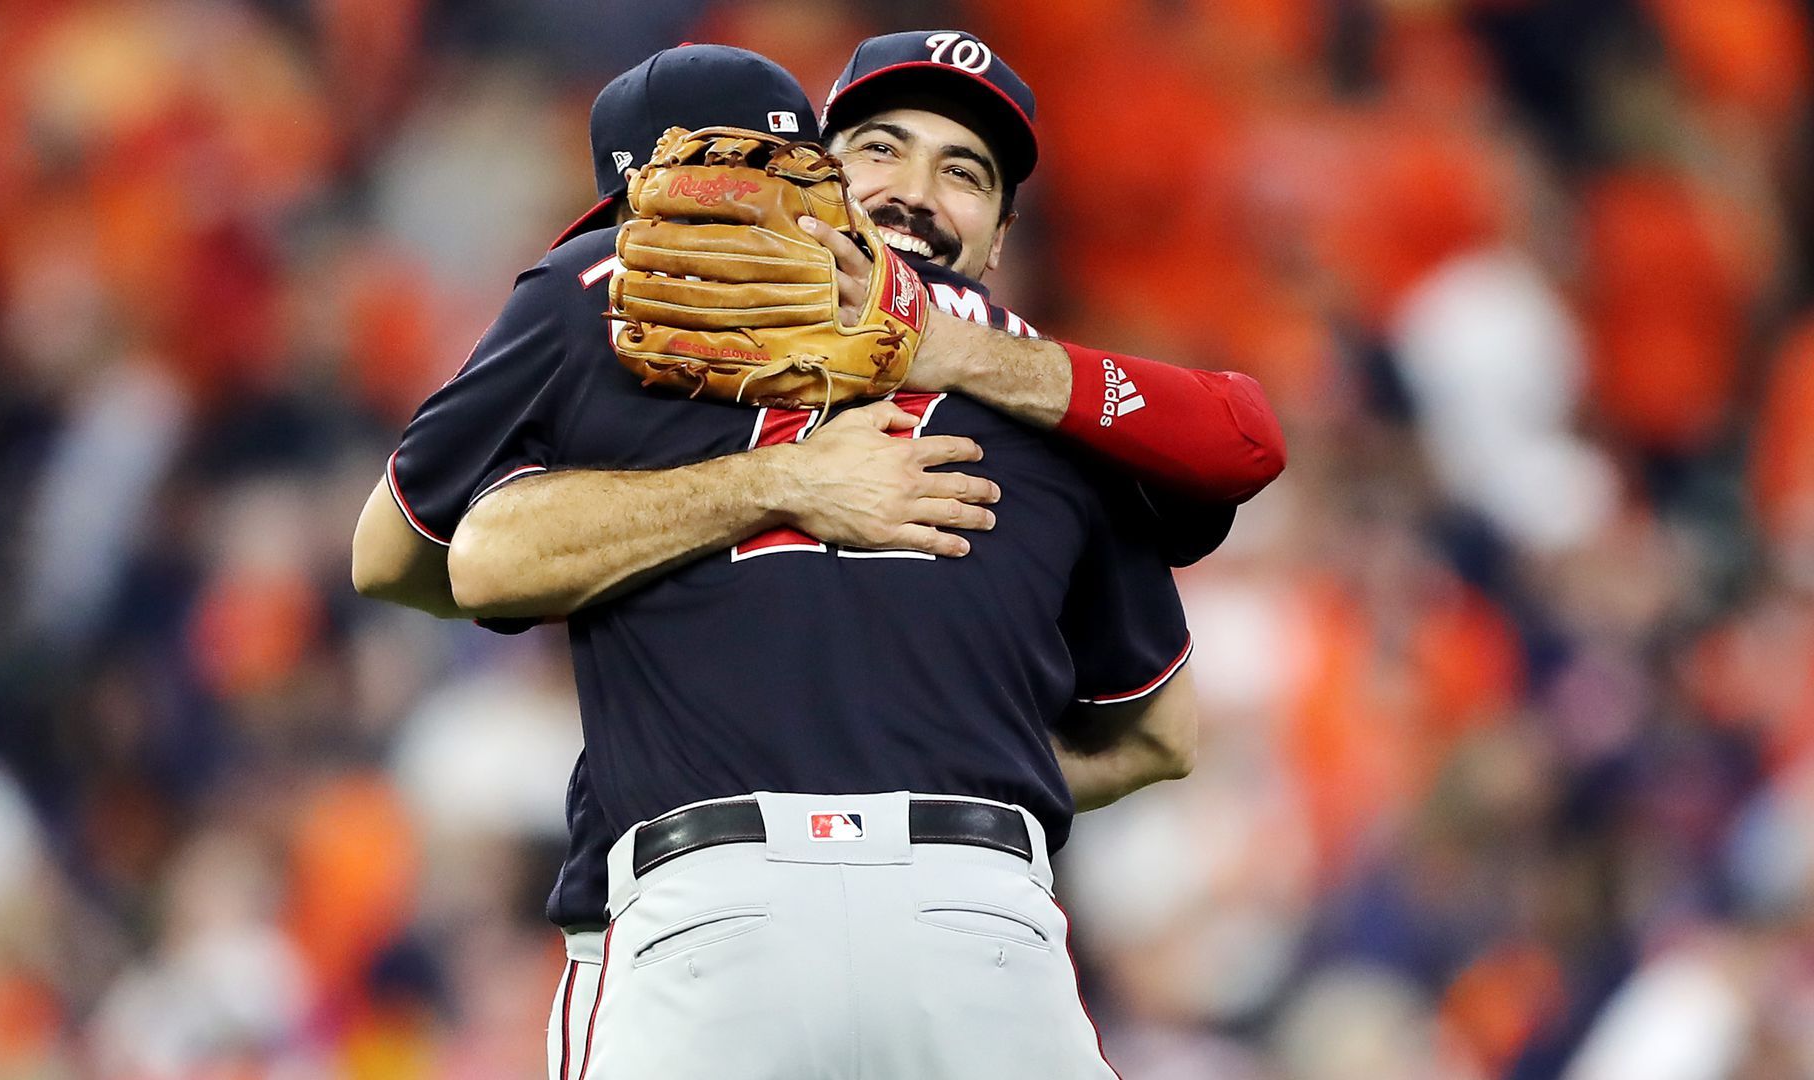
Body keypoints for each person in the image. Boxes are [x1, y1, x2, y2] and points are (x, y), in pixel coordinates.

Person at [352, 35, 1282, 1080]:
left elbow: (433, 555)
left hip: (757, 904)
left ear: (1003, 233)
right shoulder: (653, 296)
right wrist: (791, 487)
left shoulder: (617, 290)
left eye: (964, 172)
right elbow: (1158, 731)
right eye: (882, 149)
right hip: (935, 913)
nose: (917, 192)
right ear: (815, 170)